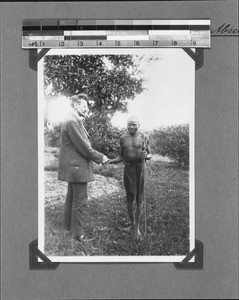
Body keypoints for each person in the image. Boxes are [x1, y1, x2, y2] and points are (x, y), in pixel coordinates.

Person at [58, 93, 109, 241]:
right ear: (75, 105)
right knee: (80, 201)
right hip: (77, 167)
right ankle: (78, 234)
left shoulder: (72, 119)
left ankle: (67, 227)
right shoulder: (72, 121)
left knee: (71, 199)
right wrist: (101, 157)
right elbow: (84, 147)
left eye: (87, 106)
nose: (87, 109)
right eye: (84, 106)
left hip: (74, 166)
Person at [108, 115, 151, 237]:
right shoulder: (123, 138)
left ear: (139, 125)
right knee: (129, 197)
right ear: (127, 125)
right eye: (129, 124)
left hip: (140, 169)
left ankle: (137, 227)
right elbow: (121, 156)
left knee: (139, 199)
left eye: (134, 124)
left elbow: (150, 154)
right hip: (128, 169)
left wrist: (146, 156)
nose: (132, 127)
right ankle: (131, 224)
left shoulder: (144, 137)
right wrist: (111, 161)